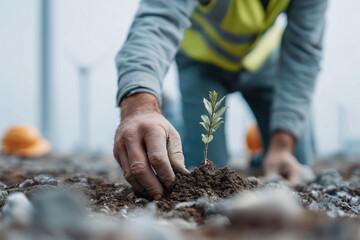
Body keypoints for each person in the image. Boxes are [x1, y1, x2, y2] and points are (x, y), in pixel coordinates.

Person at [113, 0, 328, 200]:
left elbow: (304, 50)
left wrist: (282, 144)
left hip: (263, 62)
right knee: (204, 177)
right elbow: (157, 20)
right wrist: (138, 104)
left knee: (297, 167)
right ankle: (172, 115)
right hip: (201, 64)